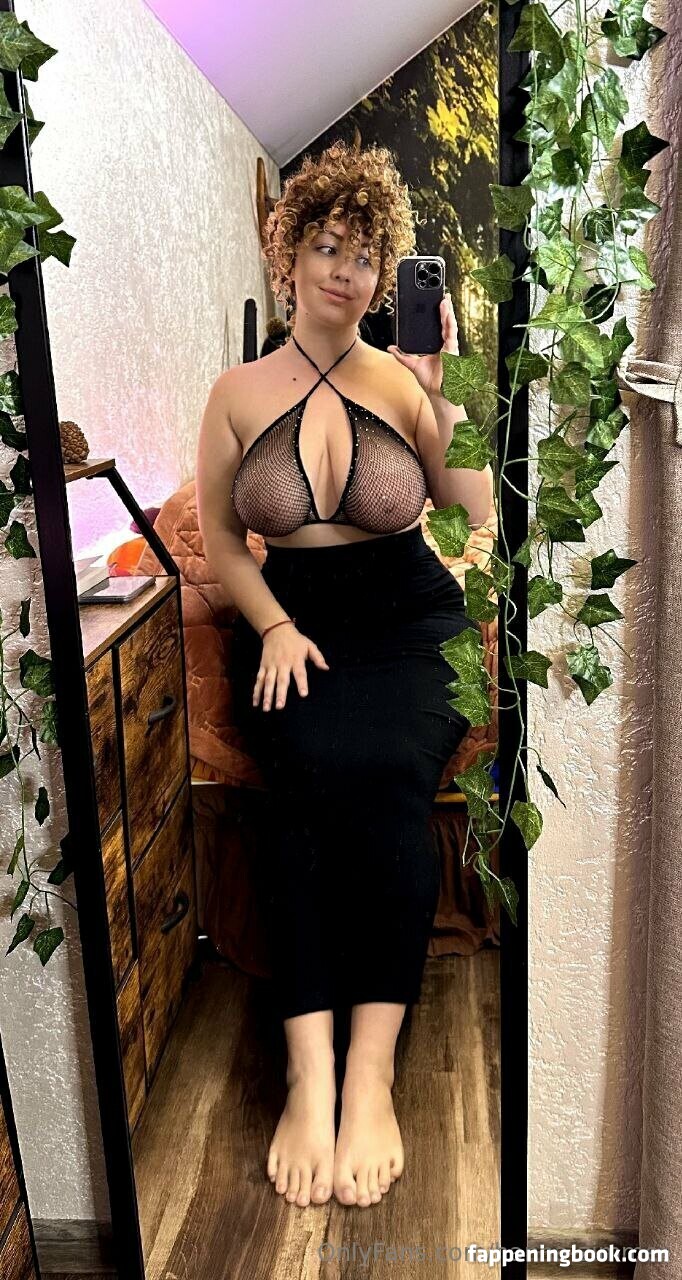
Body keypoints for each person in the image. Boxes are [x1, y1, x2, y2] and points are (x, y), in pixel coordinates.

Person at [195, 139, 494, 1212]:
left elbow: (472, 510)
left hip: (410, 625)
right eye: (326, 246)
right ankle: (306, 1069)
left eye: (366, 256)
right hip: (296, 625)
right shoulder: (236, 392)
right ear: (287, 254)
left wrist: (442, 389)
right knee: (304, 784)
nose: (346, 271)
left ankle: (367, 1074)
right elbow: (223, 541)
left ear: (386, 274)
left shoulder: (404, 380)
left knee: (387, 778)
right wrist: (273, 624)